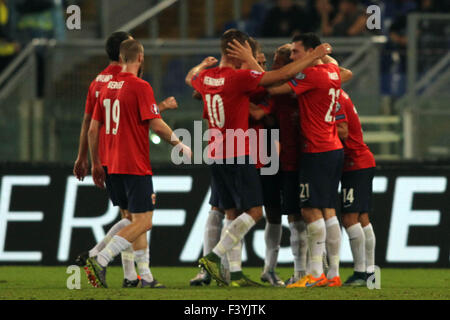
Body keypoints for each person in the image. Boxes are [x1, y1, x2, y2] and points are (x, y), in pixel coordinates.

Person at [185, 29, 332, 286]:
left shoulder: (207, 77)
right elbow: (281, 76)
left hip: (216, 151)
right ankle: (213, 258)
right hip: (240, 153)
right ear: (238, 50)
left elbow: (192, 80)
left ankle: (231, 274)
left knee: (229, 210)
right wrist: (315, 56)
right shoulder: (241, 78)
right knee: (253, 212)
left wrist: (203, 66)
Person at [85, 39, 191, 288]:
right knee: (144, 221)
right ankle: (100, 258)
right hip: (133, 162)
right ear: (140, 58)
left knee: (130, 217)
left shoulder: (107, 86)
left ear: (121, 59)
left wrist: (96, 162)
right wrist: (180, 144)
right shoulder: (140, 86)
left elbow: (92, 130)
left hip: (110, 163)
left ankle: (136, 276)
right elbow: (155, 123)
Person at [253, 33, 344, 288]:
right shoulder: (332, 71)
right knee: (327, 210)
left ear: (310, 52)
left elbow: (272, 86)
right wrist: (321, 54)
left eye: (296, 52)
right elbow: (341, 69)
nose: (292, 57)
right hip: (333, 147)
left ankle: (314, 274)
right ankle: (332, 272)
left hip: (315, 149)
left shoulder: (309, 76)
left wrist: (313, 56)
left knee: (309, 210)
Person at [335, 90, 376, 286]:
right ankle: (370, 273)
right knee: (362, 218)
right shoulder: (342, 94)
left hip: (355, 163)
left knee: (349, 218)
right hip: (361, 161)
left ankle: (361, 273)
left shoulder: (336, 97)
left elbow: (342, 130)